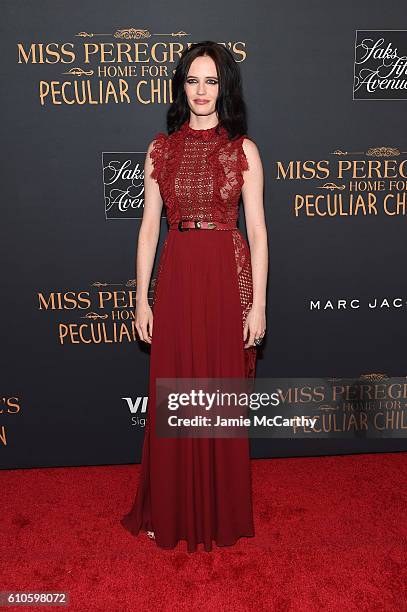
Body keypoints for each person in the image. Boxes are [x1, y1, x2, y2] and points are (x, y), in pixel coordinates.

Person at [121, 40, 268, 552]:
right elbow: (146, 232)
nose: (202, 91)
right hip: (179, 271)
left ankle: (217, 512)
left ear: (224, 87)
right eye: (192, 80)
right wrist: (143, 299)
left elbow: (258, 231)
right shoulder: (160, 148)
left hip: (226, 276)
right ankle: (171, 507)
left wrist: (259, 303)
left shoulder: (242, 150)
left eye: (211, 81)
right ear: (181, 87)